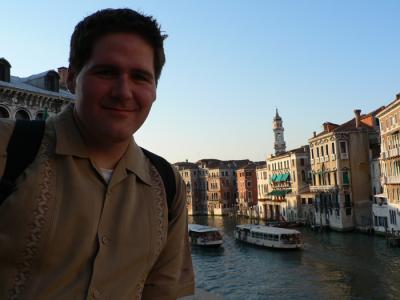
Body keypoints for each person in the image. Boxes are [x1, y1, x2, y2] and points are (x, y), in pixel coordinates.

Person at [0, 8, 194, 299]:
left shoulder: (167, 184)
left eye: (140, 77)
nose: (123, 92)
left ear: (155, 89)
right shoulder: (7, 148)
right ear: (72, 79)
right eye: (106, 72)